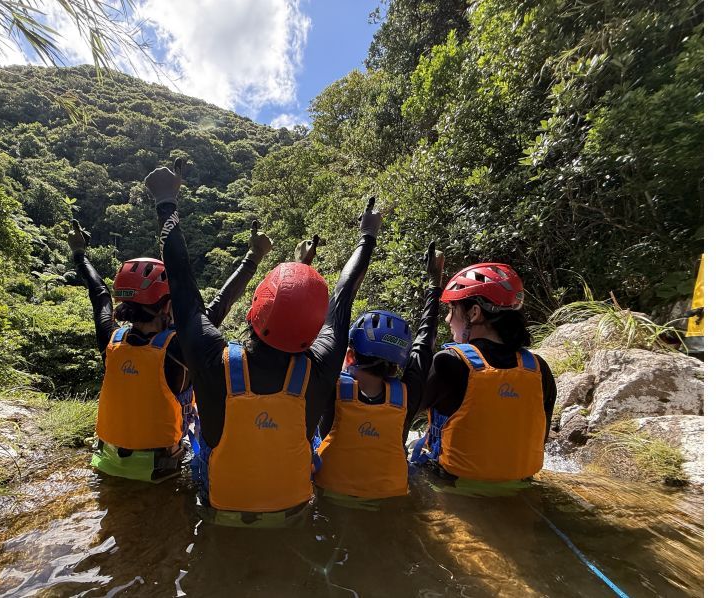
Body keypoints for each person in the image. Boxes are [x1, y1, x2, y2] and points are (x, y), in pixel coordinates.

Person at [144, 158, 382, 525]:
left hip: (218, 517)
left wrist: (167, 204)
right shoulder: (322, 366)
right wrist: (367, 236)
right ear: (313, 329)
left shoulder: (213, 359)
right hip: (295, 516)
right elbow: (345, 294)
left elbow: (183, 289)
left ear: (255, 310)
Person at [66, 211, 272, 483]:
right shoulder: (178, 348)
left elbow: (99, 293)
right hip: (159, 472)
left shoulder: (111, 338)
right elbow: (221, 303)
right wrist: (254, 256)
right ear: (166, 306)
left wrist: (79, 252)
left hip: (104, 462)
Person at [313, 242, 444, 500]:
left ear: (350, 354)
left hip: (331, 496)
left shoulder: (331, 387)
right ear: (400, 361)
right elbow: (425, 341)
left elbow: (334, 319)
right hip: (389, 498)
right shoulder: (408, 394)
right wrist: (434, 282)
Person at [412, 262, 557, 484]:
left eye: (452, 310)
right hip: (520, 485)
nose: (448, 319)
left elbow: (402, 412)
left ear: (475, 313)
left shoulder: (449, 362)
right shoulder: (539, 368)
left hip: (450, 484)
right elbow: (540, 438)